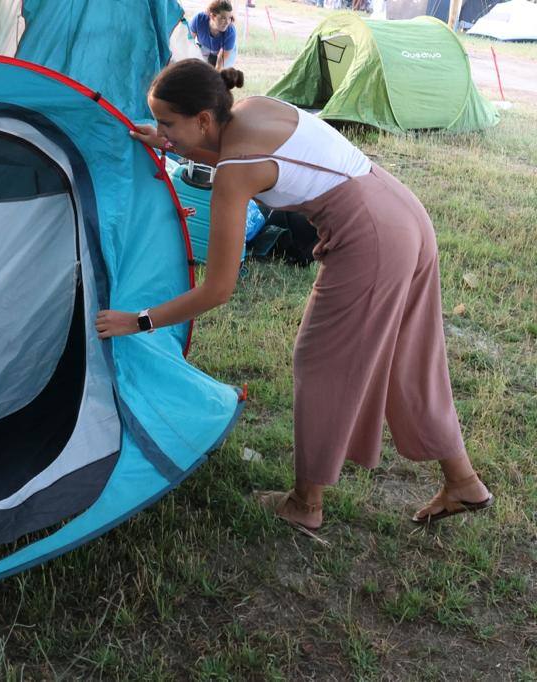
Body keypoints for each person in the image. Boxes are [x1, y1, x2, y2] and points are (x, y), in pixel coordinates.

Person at [95, 60, 493, 532]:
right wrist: (166, 141)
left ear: (203, 119)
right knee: (409, 355)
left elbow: (218, 289)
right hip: (401, 210)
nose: (162, 132)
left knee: (320, 362)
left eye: (167, 123)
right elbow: (245, 157)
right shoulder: (250, 109)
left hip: (370, 237)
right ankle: (463, 482)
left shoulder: (236, 172)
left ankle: (306, 504)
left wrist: (137, 321)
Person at [190, 0, 237, 70]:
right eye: (223, 18)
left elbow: (219, 65)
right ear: (212, 16)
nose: (227, 22)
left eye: (229, 18)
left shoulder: (231, 32)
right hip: (204, 47)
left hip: (224, 51)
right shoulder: (198, 20)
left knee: (222, 74)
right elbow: (189, 42)